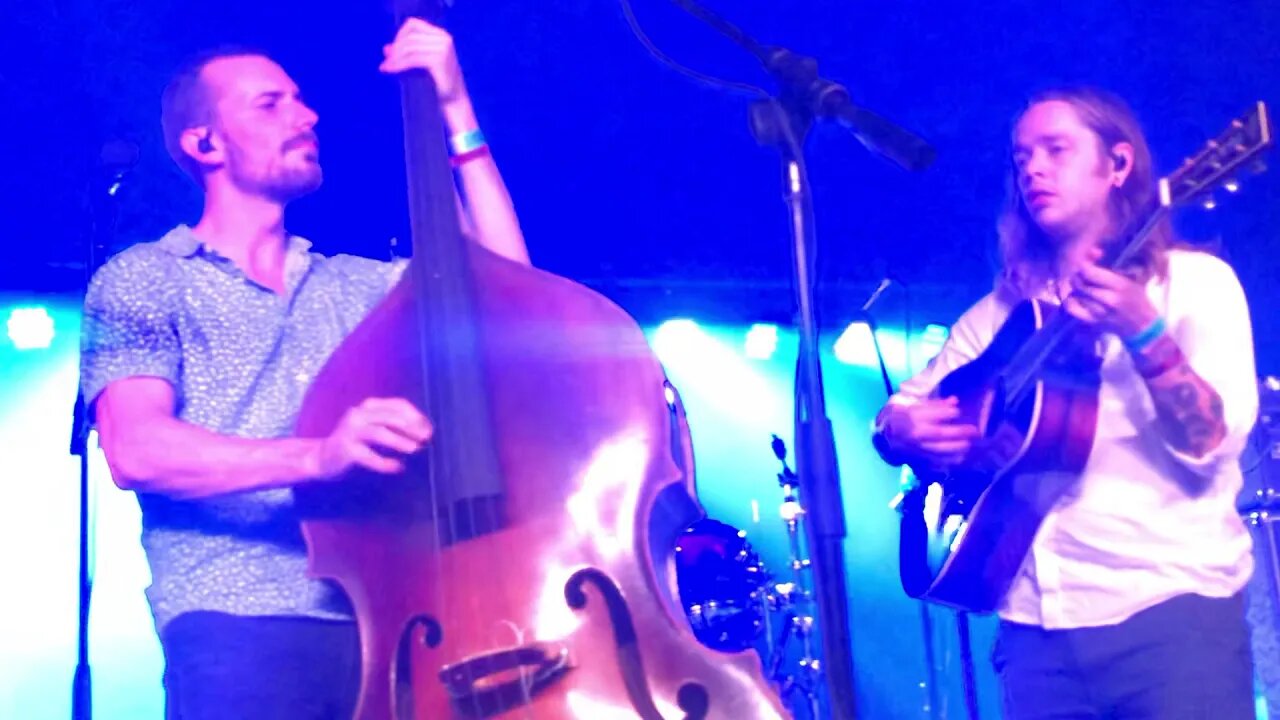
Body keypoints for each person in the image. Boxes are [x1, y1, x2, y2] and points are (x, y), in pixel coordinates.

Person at [79, 18, 528, 719]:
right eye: (271, 104)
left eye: (300, 99)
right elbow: (137, 450)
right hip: (238, 626)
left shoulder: (357, 286)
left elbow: (511, 293)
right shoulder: (142, 279)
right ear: (204, 143)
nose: (307, 114)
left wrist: (455, 109)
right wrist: (320, 455)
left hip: (397, 624)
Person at [872, 87, 1259, 718]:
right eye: (1022, 157)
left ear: (1119, 166)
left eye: (1056, 149)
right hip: (1032, 630)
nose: (1033, 169)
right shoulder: (999, 316)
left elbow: (1209, 445)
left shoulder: (1195, 285)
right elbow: (901, 415)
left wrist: (1145, 334)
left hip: (1168, 615)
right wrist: (900, 430)